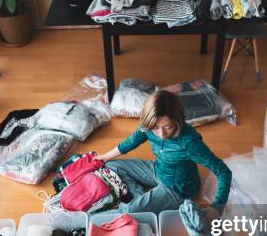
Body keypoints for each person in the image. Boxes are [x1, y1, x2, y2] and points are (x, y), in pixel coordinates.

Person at [95, 90, 232, 214]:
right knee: (110, 166)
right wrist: (105, 157)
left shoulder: (190, 142)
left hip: (177, 189)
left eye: (168, 127)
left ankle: (138, 204)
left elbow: (223, 171)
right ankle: (142, 197)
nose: (161, 133)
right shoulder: (148, 126)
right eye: (156, 128)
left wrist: (217, 208)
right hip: (158, 169)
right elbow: (132, 141)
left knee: (129, 211)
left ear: (177, 121)